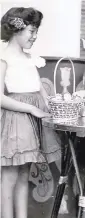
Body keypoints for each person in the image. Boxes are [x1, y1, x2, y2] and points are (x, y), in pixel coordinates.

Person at [1, 7, 61, 218]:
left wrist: (50, 105)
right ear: (16, 30)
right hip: (16, 120)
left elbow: (40, 90)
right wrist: (31, 109)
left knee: (25, 171)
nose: (35, 37)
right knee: (9, 174)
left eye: (36, 32)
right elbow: (0, 97)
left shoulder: (30, 59)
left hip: (33, 121)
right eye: (32, 31)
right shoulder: (3, 58)